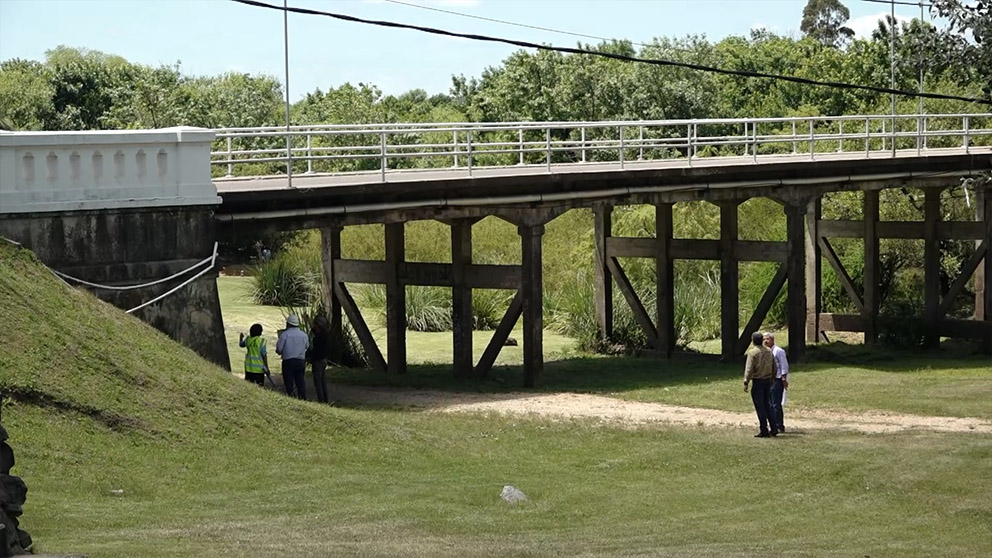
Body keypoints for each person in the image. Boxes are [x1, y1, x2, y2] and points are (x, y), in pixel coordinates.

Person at [743, 331, 778, 438]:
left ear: (753, 341)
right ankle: (774, 428)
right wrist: (773, 377)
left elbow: (749, 369)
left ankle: (764, 429)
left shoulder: (753, 353)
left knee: (760, 406)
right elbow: (774, 366)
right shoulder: (769, 351)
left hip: (758, 381)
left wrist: (746, 382)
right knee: (768, 405)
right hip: (768, 380)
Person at [276, 315, 309, 400]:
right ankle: (302, 397)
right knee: (300, 380)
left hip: (288, 360)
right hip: (300, 360)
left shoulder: (284, 335)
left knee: (289, 381)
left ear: (288, 324)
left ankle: (291, 397)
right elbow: (307, 346)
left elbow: (279, 349)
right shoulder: (304, 335)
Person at [764, 332, 789, 433]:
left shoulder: (779, 351)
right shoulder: (765, 351)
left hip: (777, 379)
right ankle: (772, 424)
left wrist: (784, 378)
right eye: (764, 339)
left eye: (767, 339)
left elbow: (784, 365)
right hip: (768, 380)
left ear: (772, 340)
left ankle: (779, 425)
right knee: (769, 404)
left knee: (776, 404)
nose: (766, 341)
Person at [308, 315, 331, 404]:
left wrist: (311, 356)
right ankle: (325, 399)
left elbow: (318, 349)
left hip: (318, 360)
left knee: (318, 381)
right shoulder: (324, 334)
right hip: (324, 359)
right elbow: (314, 330)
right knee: (322, 380)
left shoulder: (320, 337)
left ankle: (321, 399)